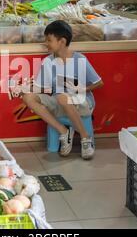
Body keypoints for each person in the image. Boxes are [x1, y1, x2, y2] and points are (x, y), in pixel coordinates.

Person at [22, 20, 104, 160]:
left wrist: (84, 88)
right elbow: (43, 87)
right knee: (28, 97)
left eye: (49, 40)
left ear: (62, 41)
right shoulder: (48, 61)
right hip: (59, 101)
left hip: (82, 102)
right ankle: (63, 131)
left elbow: (99, 83)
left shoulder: (80, 59)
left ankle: (85, 139)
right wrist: (28, 88)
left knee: (62, 97)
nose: (46, 43)